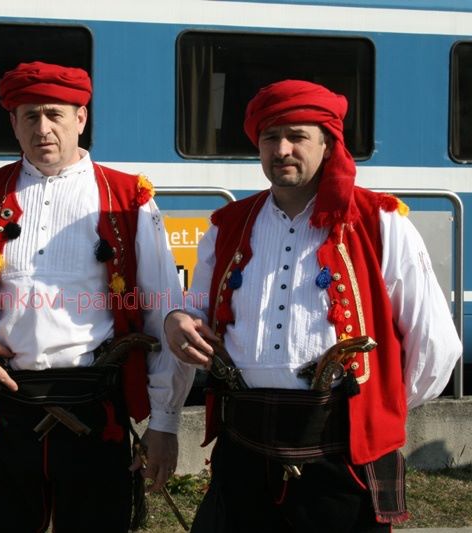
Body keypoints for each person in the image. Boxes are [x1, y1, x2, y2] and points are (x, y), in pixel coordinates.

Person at [0, 61, 194, 533]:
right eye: (29, 116)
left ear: (81, 118)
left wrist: (166, 423)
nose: (43, 128)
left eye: (55, 114)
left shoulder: (128, 199)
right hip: (2, 408)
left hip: (96, 408)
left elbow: (163, 315)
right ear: (13, 123)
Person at [165, 79, 462, 532]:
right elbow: (197, 310)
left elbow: (436, 343)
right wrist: (177, 319)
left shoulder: (381, 221)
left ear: (328, 144)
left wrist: (374, 410)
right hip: (243, 448)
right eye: (270, 137)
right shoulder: (228, 225)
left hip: (338, 455)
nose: (282, 149)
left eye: (297, 136)